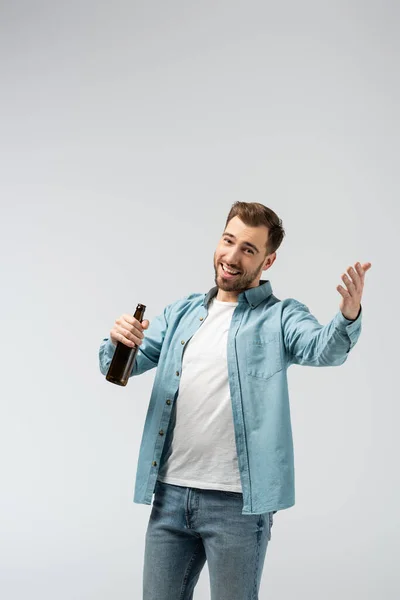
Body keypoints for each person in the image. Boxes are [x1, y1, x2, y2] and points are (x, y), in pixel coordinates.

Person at [99, 202, 371, 600]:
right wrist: (117, 340)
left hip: (238, 505)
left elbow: (322, 349)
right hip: (170, 496)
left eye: (248, 248)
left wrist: (347, 317)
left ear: (268, 259)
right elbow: (122, 366)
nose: (232, 256)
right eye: (229, 241)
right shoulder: (182, 313)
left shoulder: (281, 317)